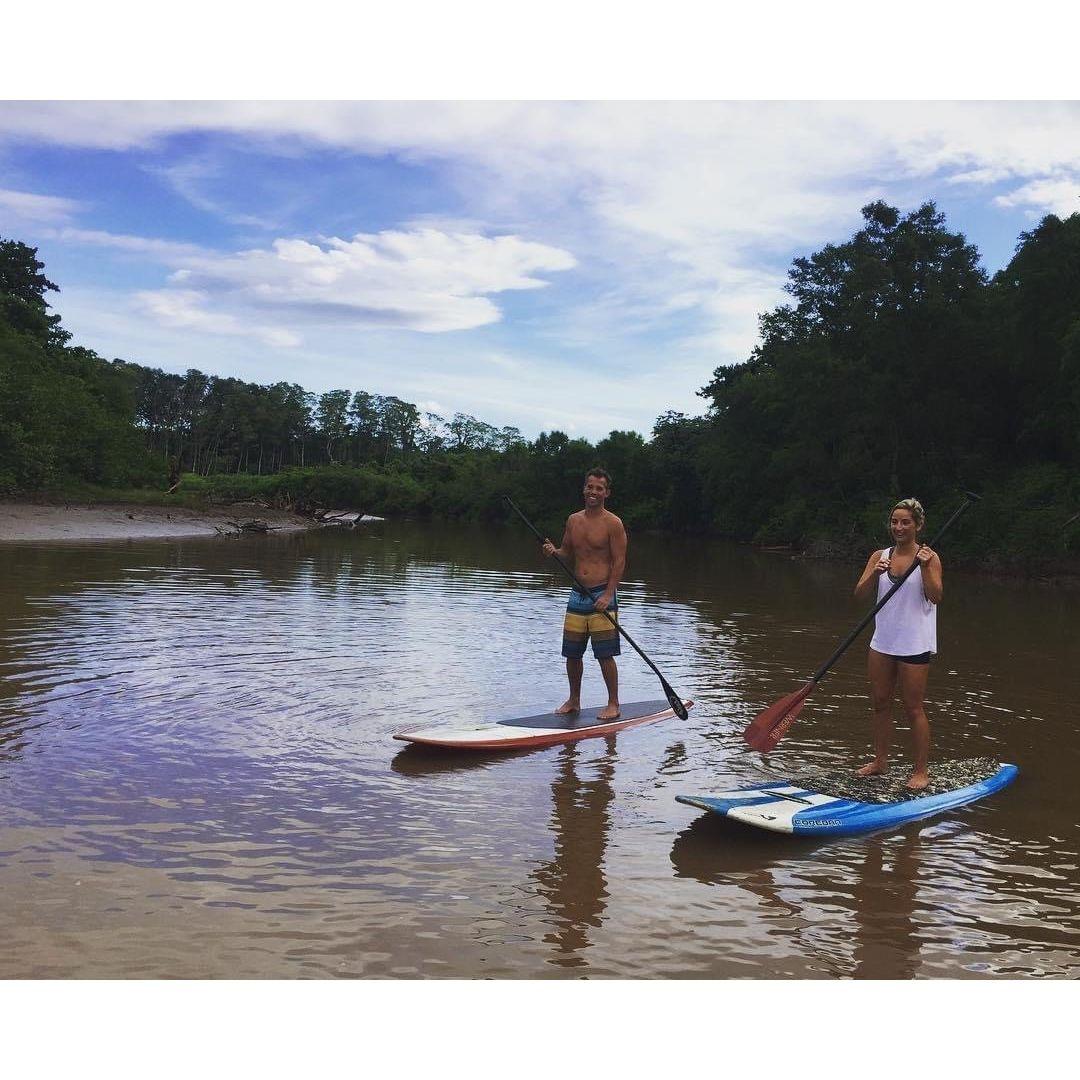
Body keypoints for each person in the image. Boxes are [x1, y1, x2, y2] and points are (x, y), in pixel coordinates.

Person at [852, 497, 943, 791]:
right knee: (880, 702)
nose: (899, 527)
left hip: (914, 643)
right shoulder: (880, 555)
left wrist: (927, 568)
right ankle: (880, 762)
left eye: (905, 522)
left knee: (913, 707)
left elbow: (936, 596)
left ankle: (921, 771)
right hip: (882, 641)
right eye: (894, 521)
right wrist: (875, 574)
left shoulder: (929, 557)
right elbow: (860, 594)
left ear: (917, 525)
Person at [542, 468, 627, 720]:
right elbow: (567, 550)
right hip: (577, 594)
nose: (593, 492)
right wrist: (554, 551)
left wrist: (608, 595)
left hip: (602, 593)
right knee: (572, 653)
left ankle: (613, 703)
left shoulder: (613, 523)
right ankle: (574, 700)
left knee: (605, 654)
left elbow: (619, 561)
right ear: (584, 489)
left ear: (606, 493)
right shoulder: (573, 520)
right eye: (590, 487)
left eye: (599, 488)